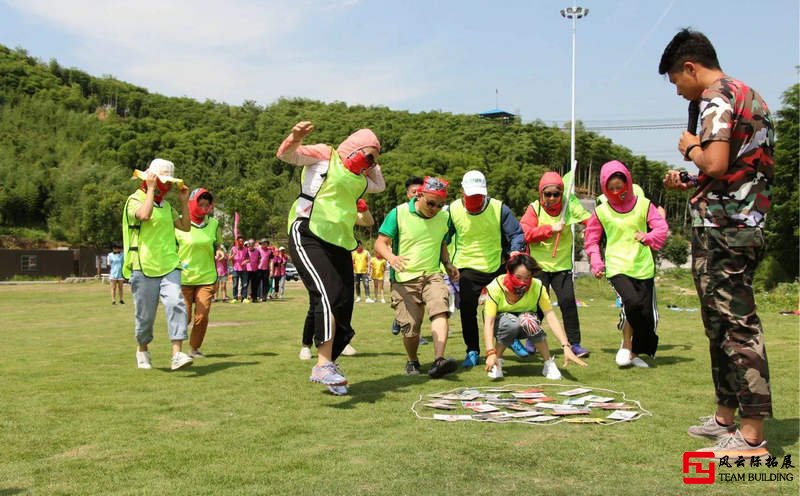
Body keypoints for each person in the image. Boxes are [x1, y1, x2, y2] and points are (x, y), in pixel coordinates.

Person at [660, 29, 774, 458]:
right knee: (719, 326)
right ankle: (726, 416)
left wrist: (692, 148)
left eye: (676, 80)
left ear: (691, 67)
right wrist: (692, 179)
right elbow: (736, 171)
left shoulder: (717, 97)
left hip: (726, 230)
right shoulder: (750, 95)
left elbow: (717, 160)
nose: (677, 91)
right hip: (736, 223)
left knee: (737, 326)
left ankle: (749, 437)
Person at [278, 120, 385, 395]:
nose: (369, 163)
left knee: (343, 301)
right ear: (353, 148)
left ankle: (330, 366)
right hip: (308, 231)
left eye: (373, 159)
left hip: (338, 241)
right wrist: (295, 137)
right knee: (325, 294)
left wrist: (372, 160)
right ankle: (322, 364)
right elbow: (287, 156)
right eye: (367, 155)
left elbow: (380, 186)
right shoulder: (327, 155)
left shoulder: (361, 178)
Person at [584, 160, 669, 369]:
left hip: (642, 266)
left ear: (627, 183)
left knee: (647, 315)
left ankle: (633, 351)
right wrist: (596, 262)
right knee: (632, 303)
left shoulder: (644, 204)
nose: (616, 192)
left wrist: (648, 237)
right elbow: (591, 239)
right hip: (617, 266)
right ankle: (630, 345)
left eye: (619, 187)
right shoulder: (602, 212)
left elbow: (661, 228)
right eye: (610, 188)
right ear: (604, 188)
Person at [375, 176, 460, 378]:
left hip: (432, 274)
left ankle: (439, 360)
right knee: (411, 328)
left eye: (440, 205)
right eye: (431, 203)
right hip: (404, 279)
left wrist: (447, 264)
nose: (435, 209)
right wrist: (391, 257)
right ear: (419, 195)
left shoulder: (444, 218)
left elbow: (441, 243)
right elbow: (380, 243)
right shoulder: (399, 213)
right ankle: (413, 360)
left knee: (440, 307)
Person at [447, 170, 526, 369]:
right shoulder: (452, 210)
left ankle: (509, 339)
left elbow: (516, 233)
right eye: (471, 195)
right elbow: (442, 238)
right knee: (467, 310)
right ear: (462, 191)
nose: (475, 199)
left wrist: (515, 251)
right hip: (467, 267)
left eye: (478, 196)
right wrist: (445, 263)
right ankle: (472, 349)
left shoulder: (500, 209)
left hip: (496, 265)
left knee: (504, 308)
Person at [121, 158, 193, 370]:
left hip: (169, 264)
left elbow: (186, 227)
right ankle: (142, 348)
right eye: (164, 182)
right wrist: (151, 190)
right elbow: (144, 215)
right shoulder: (134, 200)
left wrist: (183, 201)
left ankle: (177, 354)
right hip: (143, 266)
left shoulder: (167, 206)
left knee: (176, 303)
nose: (167, 186)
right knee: (145, 316)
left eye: (169, 182)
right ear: (151, 180)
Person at [520, 172, 591, 358]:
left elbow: (590, 221)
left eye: (556, 194)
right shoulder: (534, 209)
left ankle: (574, 343)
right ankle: (531, 339)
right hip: (538, 267)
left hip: (562, 267)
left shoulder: (569, 207)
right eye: (548, 194)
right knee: (536, 305)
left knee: (568, 303)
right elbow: (525, 233)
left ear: (562, 193)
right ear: (541, 194)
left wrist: (594, 227)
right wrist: (550, 229)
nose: (552, 198)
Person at [483, 254, 587, 379]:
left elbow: (551, 316)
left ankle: (548, 363)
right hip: (501, 324)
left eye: (527, 278)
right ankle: (497, 361)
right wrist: (490, 352)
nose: (523, 282)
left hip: (526, 322)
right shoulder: (496, 286)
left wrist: (566, 345)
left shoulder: (537, 287)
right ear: (509, 273)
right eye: (518, 277)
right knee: (511, 323)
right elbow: (489, 322)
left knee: (528, 320)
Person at [176, 188, 221, 358]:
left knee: (201, 316)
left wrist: (219, 251)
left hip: (206, 278)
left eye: (206, 205)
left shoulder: (214, 224)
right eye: (200, 204)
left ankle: (194, 348)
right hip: (184, 278)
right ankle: (177, 350)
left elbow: (217, 245)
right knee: (184, 317)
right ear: (192, 203)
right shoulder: (179, 223)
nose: (203, 208)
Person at [390, 176, 425, 336]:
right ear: (407, 194)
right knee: (405, 304)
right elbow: (383, 241)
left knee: (419, 304)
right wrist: (392, 258)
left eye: (420, 191)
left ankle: (415, 333)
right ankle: (400, 321)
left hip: (423, 270)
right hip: (401, 269)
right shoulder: (399, 213)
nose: (417, 194)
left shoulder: (431, 214)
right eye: (413, 192)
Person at [229, 237, 249, 303]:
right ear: (237, 242)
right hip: (235, 269)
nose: (241, 243)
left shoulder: (246, 249)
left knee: (244, 284)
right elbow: (229, 259)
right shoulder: (233, 249)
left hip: (244, 269)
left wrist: (245, 261)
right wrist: (233, 255)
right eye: (239, 241)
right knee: (235, 284)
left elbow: (248, 259)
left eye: (242, 241)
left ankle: (244, 298)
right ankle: (235, 298)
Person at [246, 239, 261, 303]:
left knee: (254, 285)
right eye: (250, 243)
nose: (251, 245)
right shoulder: (246, 251)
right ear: (248, 244)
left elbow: (259, 259)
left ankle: (254, 298)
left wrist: (258, 266)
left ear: (254, 244)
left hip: (255, 270)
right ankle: (245, 297)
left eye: (252, 243)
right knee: (246, 284)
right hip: (247, 270)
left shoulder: (257, 251)